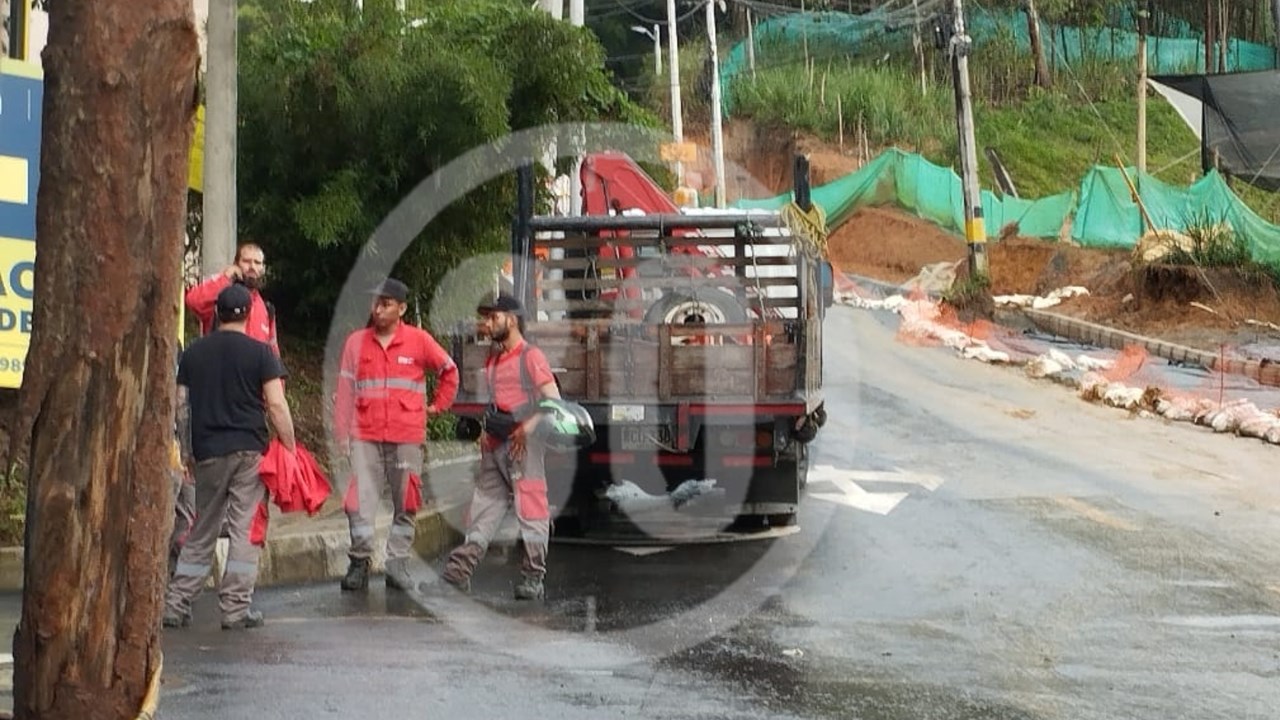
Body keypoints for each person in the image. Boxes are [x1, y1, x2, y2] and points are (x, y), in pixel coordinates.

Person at [163, 284, 296, 630]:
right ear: (249, 314)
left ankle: (176, 604)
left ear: (216, 314)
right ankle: (235, 609)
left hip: (207, 453)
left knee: (201, 529)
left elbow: (180, 408)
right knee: (243, 530)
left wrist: (189, 452)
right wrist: (290, 445)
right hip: (249, 452)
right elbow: (277, 405)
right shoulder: (261, 353)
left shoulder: (193, 354)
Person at [333, 278, 460, 592]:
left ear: (401, 308)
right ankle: (359, 562)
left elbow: (449, 371)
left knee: (406, 503)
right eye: (375, 303)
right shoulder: (356, 343)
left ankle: (397, 563)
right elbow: (345, 389)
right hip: (364, 435)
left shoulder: (419, 341)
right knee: (358, 503)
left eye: (385, 303)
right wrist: (341, 433)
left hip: (406, 436)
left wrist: (438, 406)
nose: (377, 309)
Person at [438, 292, 560, 601]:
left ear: (512, 319)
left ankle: (534, 576)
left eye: (494, 317)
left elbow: (553, 400)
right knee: (484, 509)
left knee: (531, 509)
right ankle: (459, 572)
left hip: (522, 446)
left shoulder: (530, 357)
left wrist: (525, 429)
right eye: (486, 318)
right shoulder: (494, 357)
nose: (487, 323)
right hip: (494, 444)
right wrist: (485, 433)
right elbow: (496, 399)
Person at [185, 242, 279, 355]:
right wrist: (226, 277)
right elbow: (193, 301)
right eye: (246, 261)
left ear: (263, 268)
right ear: (236, 264)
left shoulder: (267, 310)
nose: (252, 267)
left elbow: (274, 354)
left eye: (257, 263)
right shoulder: (221, 298)